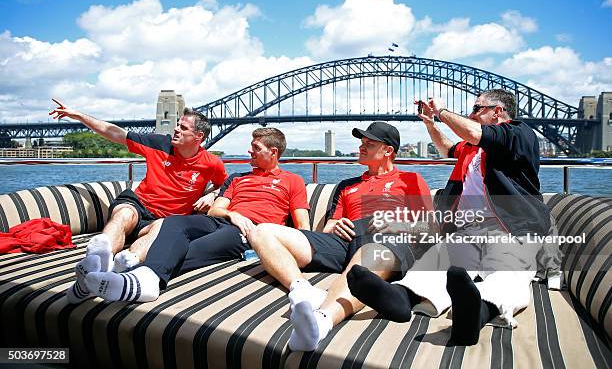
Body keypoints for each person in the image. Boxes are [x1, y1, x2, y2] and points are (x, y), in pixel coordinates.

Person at [348, 89, 550, 346]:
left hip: (511, 230)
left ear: (497, 111)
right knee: (436, 262)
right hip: (467, 230)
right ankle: (400, 297)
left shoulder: (518, 134)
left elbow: (474, 132)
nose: (471, 113)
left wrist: (442, 111)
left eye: (477, 108)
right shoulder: (472, 150)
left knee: (508, 272)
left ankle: (476, 313)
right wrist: (430, 123)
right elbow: (447, 147)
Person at [249, 122, 433, 352]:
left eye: (370, 144)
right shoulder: (347, 186)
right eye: (362, 142)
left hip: (388, 240)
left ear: (388, 151)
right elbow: (329, 227)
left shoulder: (410, 180)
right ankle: (302, 289)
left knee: (371, 251)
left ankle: (321, 321)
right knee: (261, 231)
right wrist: (337, 226)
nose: (362, 147)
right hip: (346, 240)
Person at [83, 127, 311, 303]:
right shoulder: (238, 178)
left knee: (196, 248)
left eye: (256, 148)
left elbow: (302, 227)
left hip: (250, 232)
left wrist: (276, 249)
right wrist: (233, 215)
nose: (250, 151)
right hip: (221, 220)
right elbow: (216, 209)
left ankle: (138, 278)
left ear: (273, 152)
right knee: (173, 223)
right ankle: (131, 273)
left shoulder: (293, 181)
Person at [49, 100, 227, 303]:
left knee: (163, 226)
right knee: (124, 215)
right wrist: (79, 116)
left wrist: (212, 195)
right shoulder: (159, 144)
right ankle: (95, 261)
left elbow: (224, 186)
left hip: (163, 221)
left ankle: (116, 272)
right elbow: (115, 133)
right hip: (138, 204)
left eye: (183, 127)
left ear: (198, 137)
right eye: (177, 124)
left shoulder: (212, 163)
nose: (176, 129)